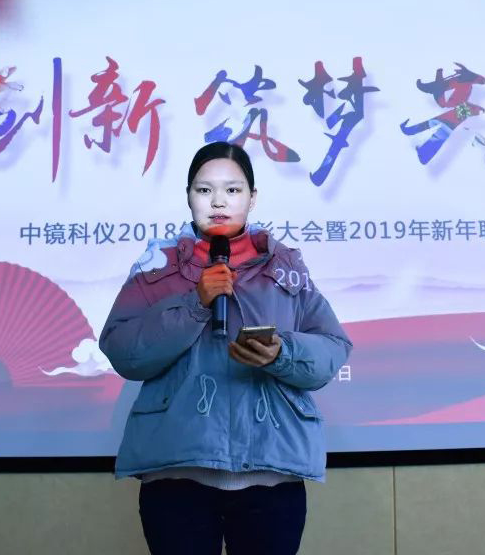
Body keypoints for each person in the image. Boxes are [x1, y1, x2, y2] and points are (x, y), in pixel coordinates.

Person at [99, 141, 353, 555]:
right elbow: (122, 349)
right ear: (188, 197)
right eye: (204, 190)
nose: (218, 201)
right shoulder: (157, 267)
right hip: (177, 473)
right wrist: (194, 304)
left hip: (271, 474)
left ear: (253, 198)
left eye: (232, 190)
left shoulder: (284, 266)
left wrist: (282, 353)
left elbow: (332, 346)